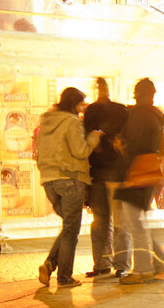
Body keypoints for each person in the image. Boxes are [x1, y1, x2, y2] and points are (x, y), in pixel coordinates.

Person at [34, 87, 98, 290]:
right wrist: (94, 137)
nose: (81, 109)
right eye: (80, 104)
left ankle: (50, 264)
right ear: (73, 103)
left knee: (68, 227)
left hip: (49, 182)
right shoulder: (71, 122)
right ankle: (64, 277)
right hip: (70, 179)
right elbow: (80, 151)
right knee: (71, 230)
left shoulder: (47, 122)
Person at [114, 78, 164, 284]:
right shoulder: (155, 115)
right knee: (138, 222)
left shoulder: (140, 115)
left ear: (138, 93)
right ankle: (157, 264)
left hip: (136, 170)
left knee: (135, 224)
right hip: (149, 169)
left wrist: (122, 151)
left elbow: (133, 144)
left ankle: (143, 269)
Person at [83, 77, 128, 278]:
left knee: (104, 222)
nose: (101, 89)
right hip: (109, 172)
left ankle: (107, 264)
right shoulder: (118, 110)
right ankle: (118, 265)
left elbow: (87, 139)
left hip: (103, 172)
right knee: (110, 222)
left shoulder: (94, 111)